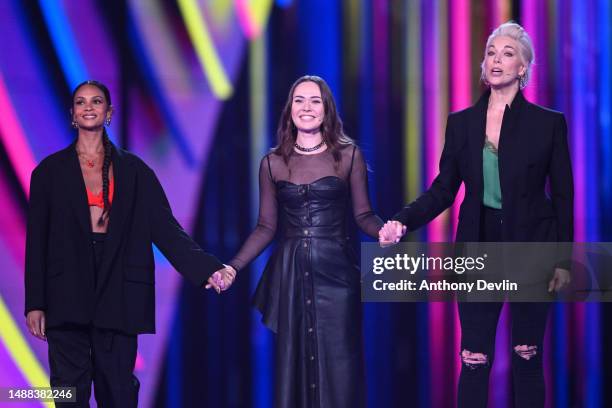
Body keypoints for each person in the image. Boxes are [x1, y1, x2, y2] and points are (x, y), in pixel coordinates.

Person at [379, 22, 573, 407]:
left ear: (523, 68)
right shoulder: (462, 123)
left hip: (532, 250)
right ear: (483, 66)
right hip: (478, 251)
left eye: (507, 53)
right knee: (473, 359)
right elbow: (443, 190)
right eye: (490, 53)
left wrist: (564, 259)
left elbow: (564, 195)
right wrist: (403, 220)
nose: (496, 60)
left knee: (526, 354)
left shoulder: (548, 124)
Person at [24, 80, 227, 407]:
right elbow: (37, 243)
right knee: (69, 395)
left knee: (118, 393)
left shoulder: (135, 172)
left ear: (109, 112)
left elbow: (165, 229)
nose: (88, 107)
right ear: (73, 114)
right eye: (81, 102)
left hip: (118, 289)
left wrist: (207, 269)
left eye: (96, 101)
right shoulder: (48, 173)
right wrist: (35, 302)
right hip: (66, 292)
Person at [210, 75, 383, 408]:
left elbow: (364, 216)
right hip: (291, 277)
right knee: (295, 367)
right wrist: (232, 267)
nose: (307, 107)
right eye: (299, 100)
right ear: (289, 110)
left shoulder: (348, 156)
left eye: (315, 100)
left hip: (337, 275)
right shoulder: (272, 163)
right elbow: (265, 226)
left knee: (341, 366)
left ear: (326, 109)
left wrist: (384, 232)